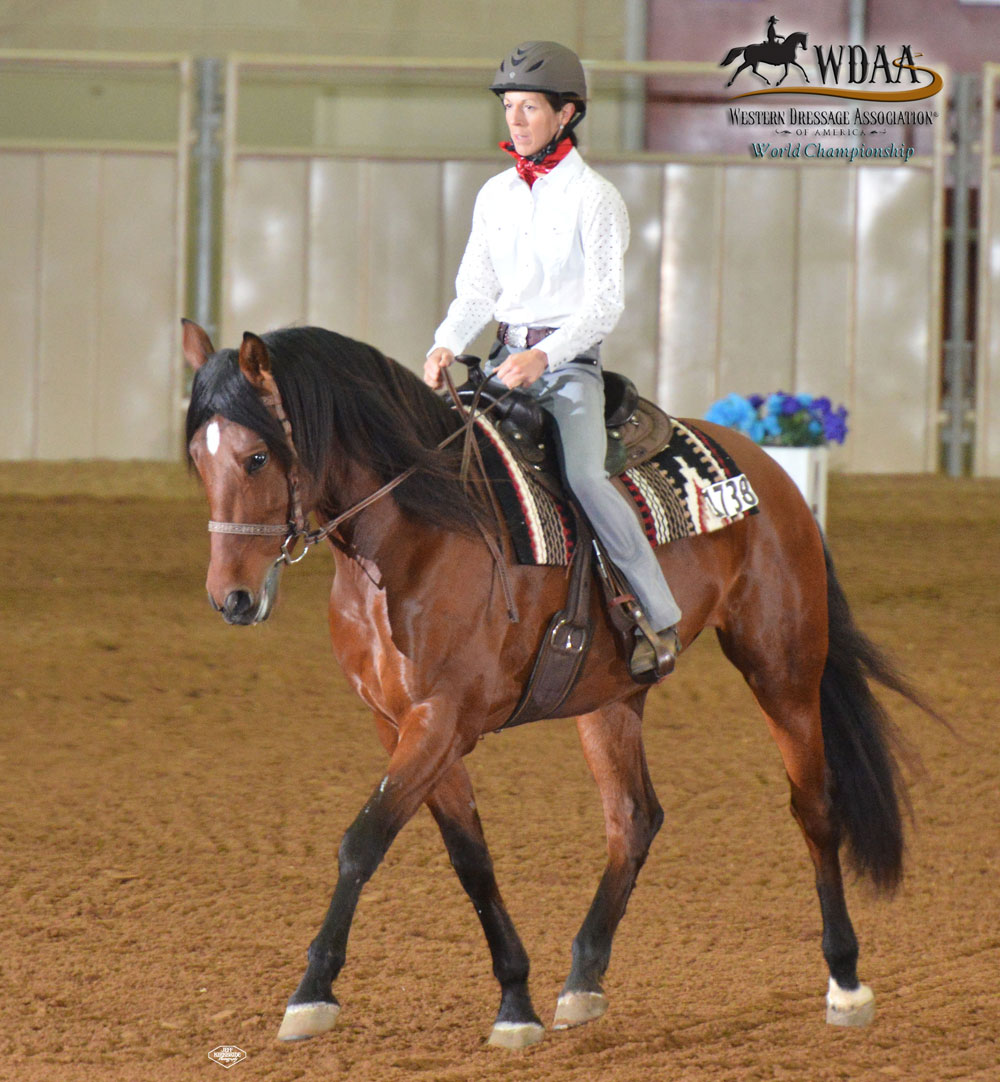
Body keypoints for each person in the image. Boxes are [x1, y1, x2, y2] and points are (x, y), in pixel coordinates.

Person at [423, 40, 681, 677]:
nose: (514, 120)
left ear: (566, 114)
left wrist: (545, 356)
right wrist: (446, 341)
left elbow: (603, 306)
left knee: (586, 476)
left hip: (567, 367)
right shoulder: (495, 196)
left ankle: (656, 612)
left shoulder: (595, 199)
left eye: (528, 108)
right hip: (500, 356)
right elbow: (476, 291)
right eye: (509, 106)